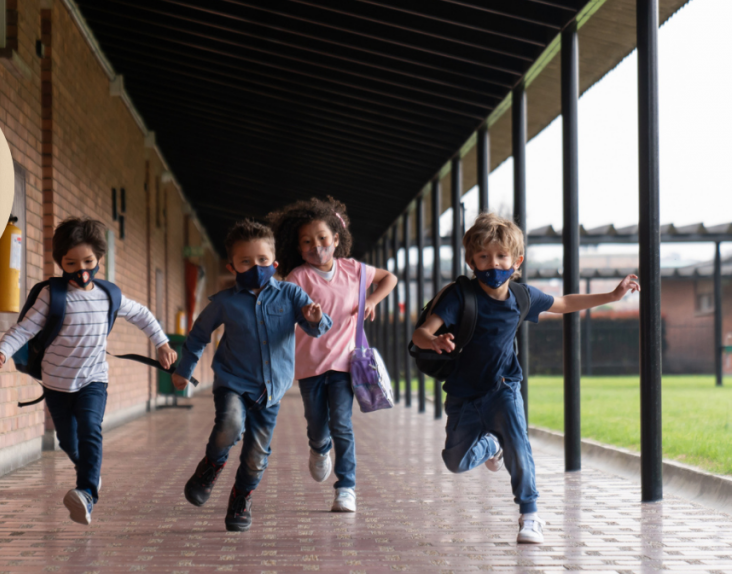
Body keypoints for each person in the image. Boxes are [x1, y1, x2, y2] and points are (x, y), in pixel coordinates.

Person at [412, 212, 640, 544]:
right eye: (484, 257)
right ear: (471, 261)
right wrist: (433, 340)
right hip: (463, 394)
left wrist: (611, 296)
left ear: (516, 260)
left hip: (504, 387)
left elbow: (563, 303)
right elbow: (420, 333)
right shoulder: (460, 296)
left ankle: (530, 514)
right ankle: (491, 444)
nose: (493, 263)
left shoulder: (521, 297)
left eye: (501, 256)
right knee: (455, 461)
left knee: (519, 444)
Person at [0, 217, 177, 526]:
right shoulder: (52, 296)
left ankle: (87, 492)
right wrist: (2, 352)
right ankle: (91, 474)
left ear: (99, 258)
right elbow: (24, 330)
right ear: (61, 262)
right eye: (71, 262)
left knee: (90, 427)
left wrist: (162, 343)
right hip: (56, 384)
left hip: (93, 380)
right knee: (66, 440)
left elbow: (141, 314)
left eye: (88, 260)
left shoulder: (108, 295)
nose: (81, 268)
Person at [171, 219, 331, 532]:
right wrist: (184, 370)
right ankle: (211, 466)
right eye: (246, 261)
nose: (255, 266)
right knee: (229, 425)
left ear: (274, 263)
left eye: (261, 260)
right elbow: (199, 335)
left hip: (271, 391)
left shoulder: (290, 295)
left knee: (256, 456)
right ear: (232, 266)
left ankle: (241, 497)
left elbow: (317, 328)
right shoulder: (225, 303)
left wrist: (316, 319)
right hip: (233, 382)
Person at [266, 197, 397, 513]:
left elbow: (388, 278)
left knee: (342, 423)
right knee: (316, 423)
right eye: (307, 242)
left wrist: (373, 300)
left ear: (336, 239)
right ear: (299, 248)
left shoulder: (354, 270)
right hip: (310, 365)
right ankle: (318, 448)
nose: (316, 246)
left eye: (323, 238)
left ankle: (346, 487)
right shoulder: (298, 277)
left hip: (343, 363)